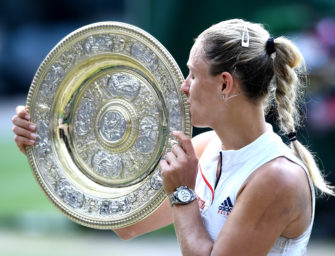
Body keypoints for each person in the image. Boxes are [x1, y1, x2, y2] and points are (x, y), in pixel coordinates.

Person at [12, 19, 334, 255]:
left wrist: (182, 192)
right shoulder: (206, 147)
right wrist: (50, 143)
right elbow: (128, 225)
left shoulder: (277, 177)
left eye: (193, 74)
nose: (183, 85)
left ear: (224, 84)